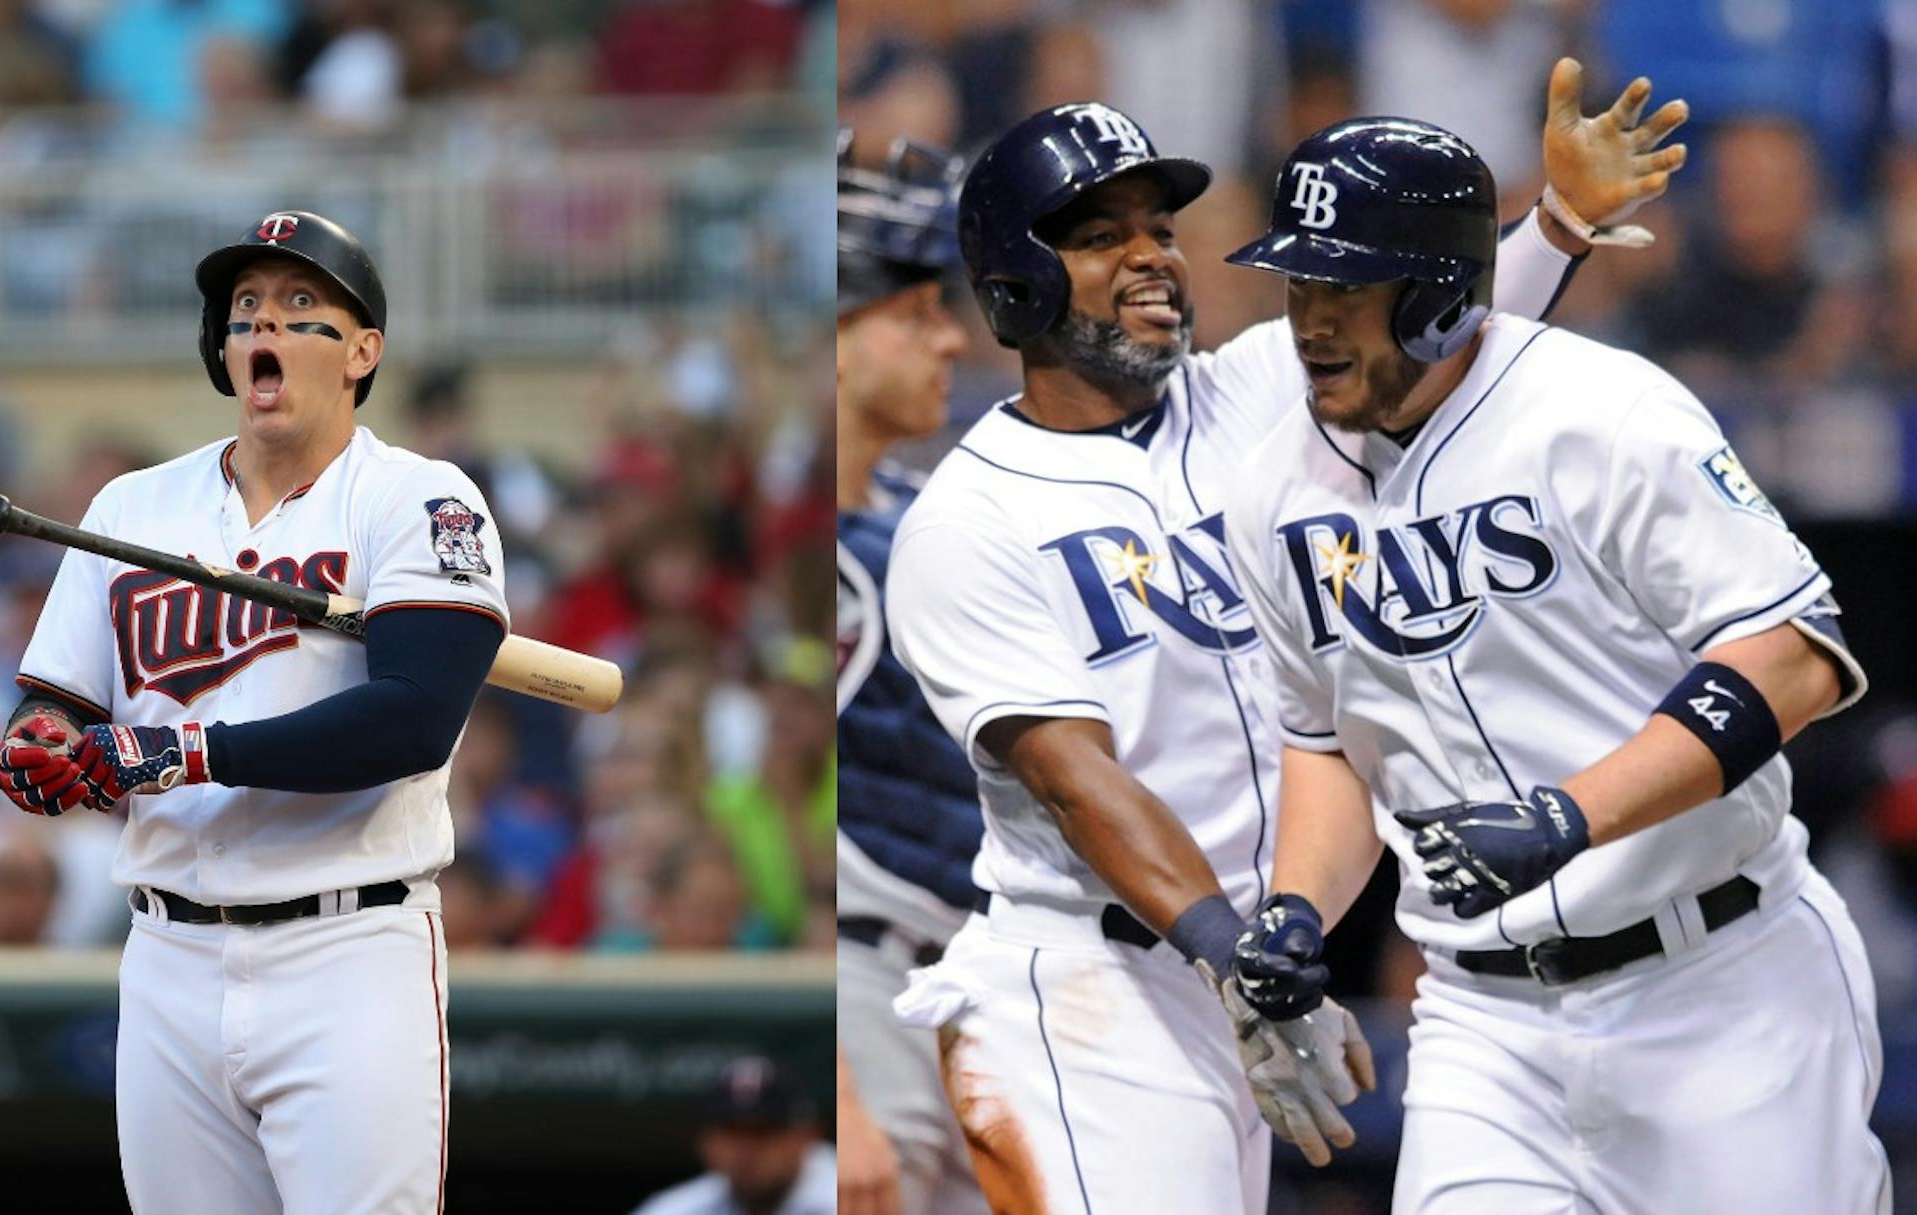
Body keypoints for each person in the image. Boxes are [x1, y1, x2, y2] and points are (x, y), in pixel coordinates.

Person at [884, 64, 1687, 1214]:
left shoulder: (1252, 392)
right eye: (1101, 236)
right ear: (1013, 284)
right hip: (1093, 991)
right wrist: (1241, 963)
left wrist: (1556, 222)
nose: (1153, 254)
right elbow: (1077, 786)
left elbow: (1418, 318)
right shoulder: (966, 519)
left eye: (1160, 226)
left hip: (1241, 971)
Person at [1218, 118, 1887, 1214]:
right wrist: (1295, 909)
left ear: (1438, 296)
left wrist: (1569, 818)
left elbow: (1794, 656)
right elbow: (1325, 743)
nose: (1311, 323)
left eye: (1347, 290)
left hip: (1718, 991)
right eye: (1298, 285)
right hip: (1486, 1026)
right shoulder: (1272, 490)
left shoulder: (1603, 414)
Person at [0, 210, 510, 1214]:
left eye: (299, 305)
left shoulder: (419, 498)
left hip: (349, 948)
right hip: (166, 952)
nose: (263, 322)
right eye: (245, 308)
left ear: (363, 351)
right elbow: (53, 703)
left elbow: (412, 719)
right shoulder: (133, 507)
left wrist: (175, 753)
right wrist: (39, 750)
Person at [831, 129, 990, 1215]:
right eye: (916, 313)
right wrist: (833, 1099)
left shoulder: (921, 516)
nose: (949, 342)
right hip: (856, 985)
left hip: (960, 983)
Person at [632, 1055, 838, 1215]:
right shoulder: (676, 1208)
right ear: (706, 1142)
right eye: (733, 1132)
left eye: (762, 1132)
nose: (746, 1149)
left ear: (807, 1136)